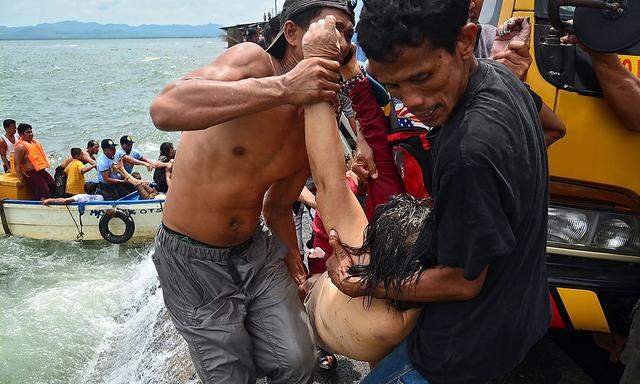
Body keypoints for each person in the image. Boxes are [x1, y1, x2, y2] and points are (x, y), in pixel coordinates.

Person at [321, 1, 551, 382]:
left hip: (464, 345)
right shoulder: (502, 76)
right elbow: (553, 127)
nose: (412, 101)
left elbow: (463, 281)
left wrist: (361, 282)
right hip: (523, 309)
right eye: (393, 85)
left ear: (465, 40)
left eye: (422, 77)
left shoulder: (468, 152)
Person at [148, 0, 356, 382]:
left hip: (254, 250)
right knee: (229, 375)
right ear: (292, 33)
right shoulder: (253, 62)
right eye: (333, 28)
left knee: (298, 360)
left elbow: (278, 205)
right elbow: (165, 108)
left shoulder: (311, 123)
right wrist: (285, 87)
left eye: (348, 33)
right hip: (191, 259)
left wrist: (291, 253)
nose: (340, 42)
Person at [14, 123, 56, 200]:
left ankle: (53, 201)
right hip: (29, 173)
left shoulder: (34, 142)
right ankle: (42, 203)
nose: (31, 134)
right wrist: (21, 179)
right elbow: (16, 164)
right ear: (21, 134)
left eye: (31, 132)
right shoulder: (20, 147)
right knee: (45, 189)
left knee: (52, 183)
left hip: (40, 170)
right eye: (28, 132)